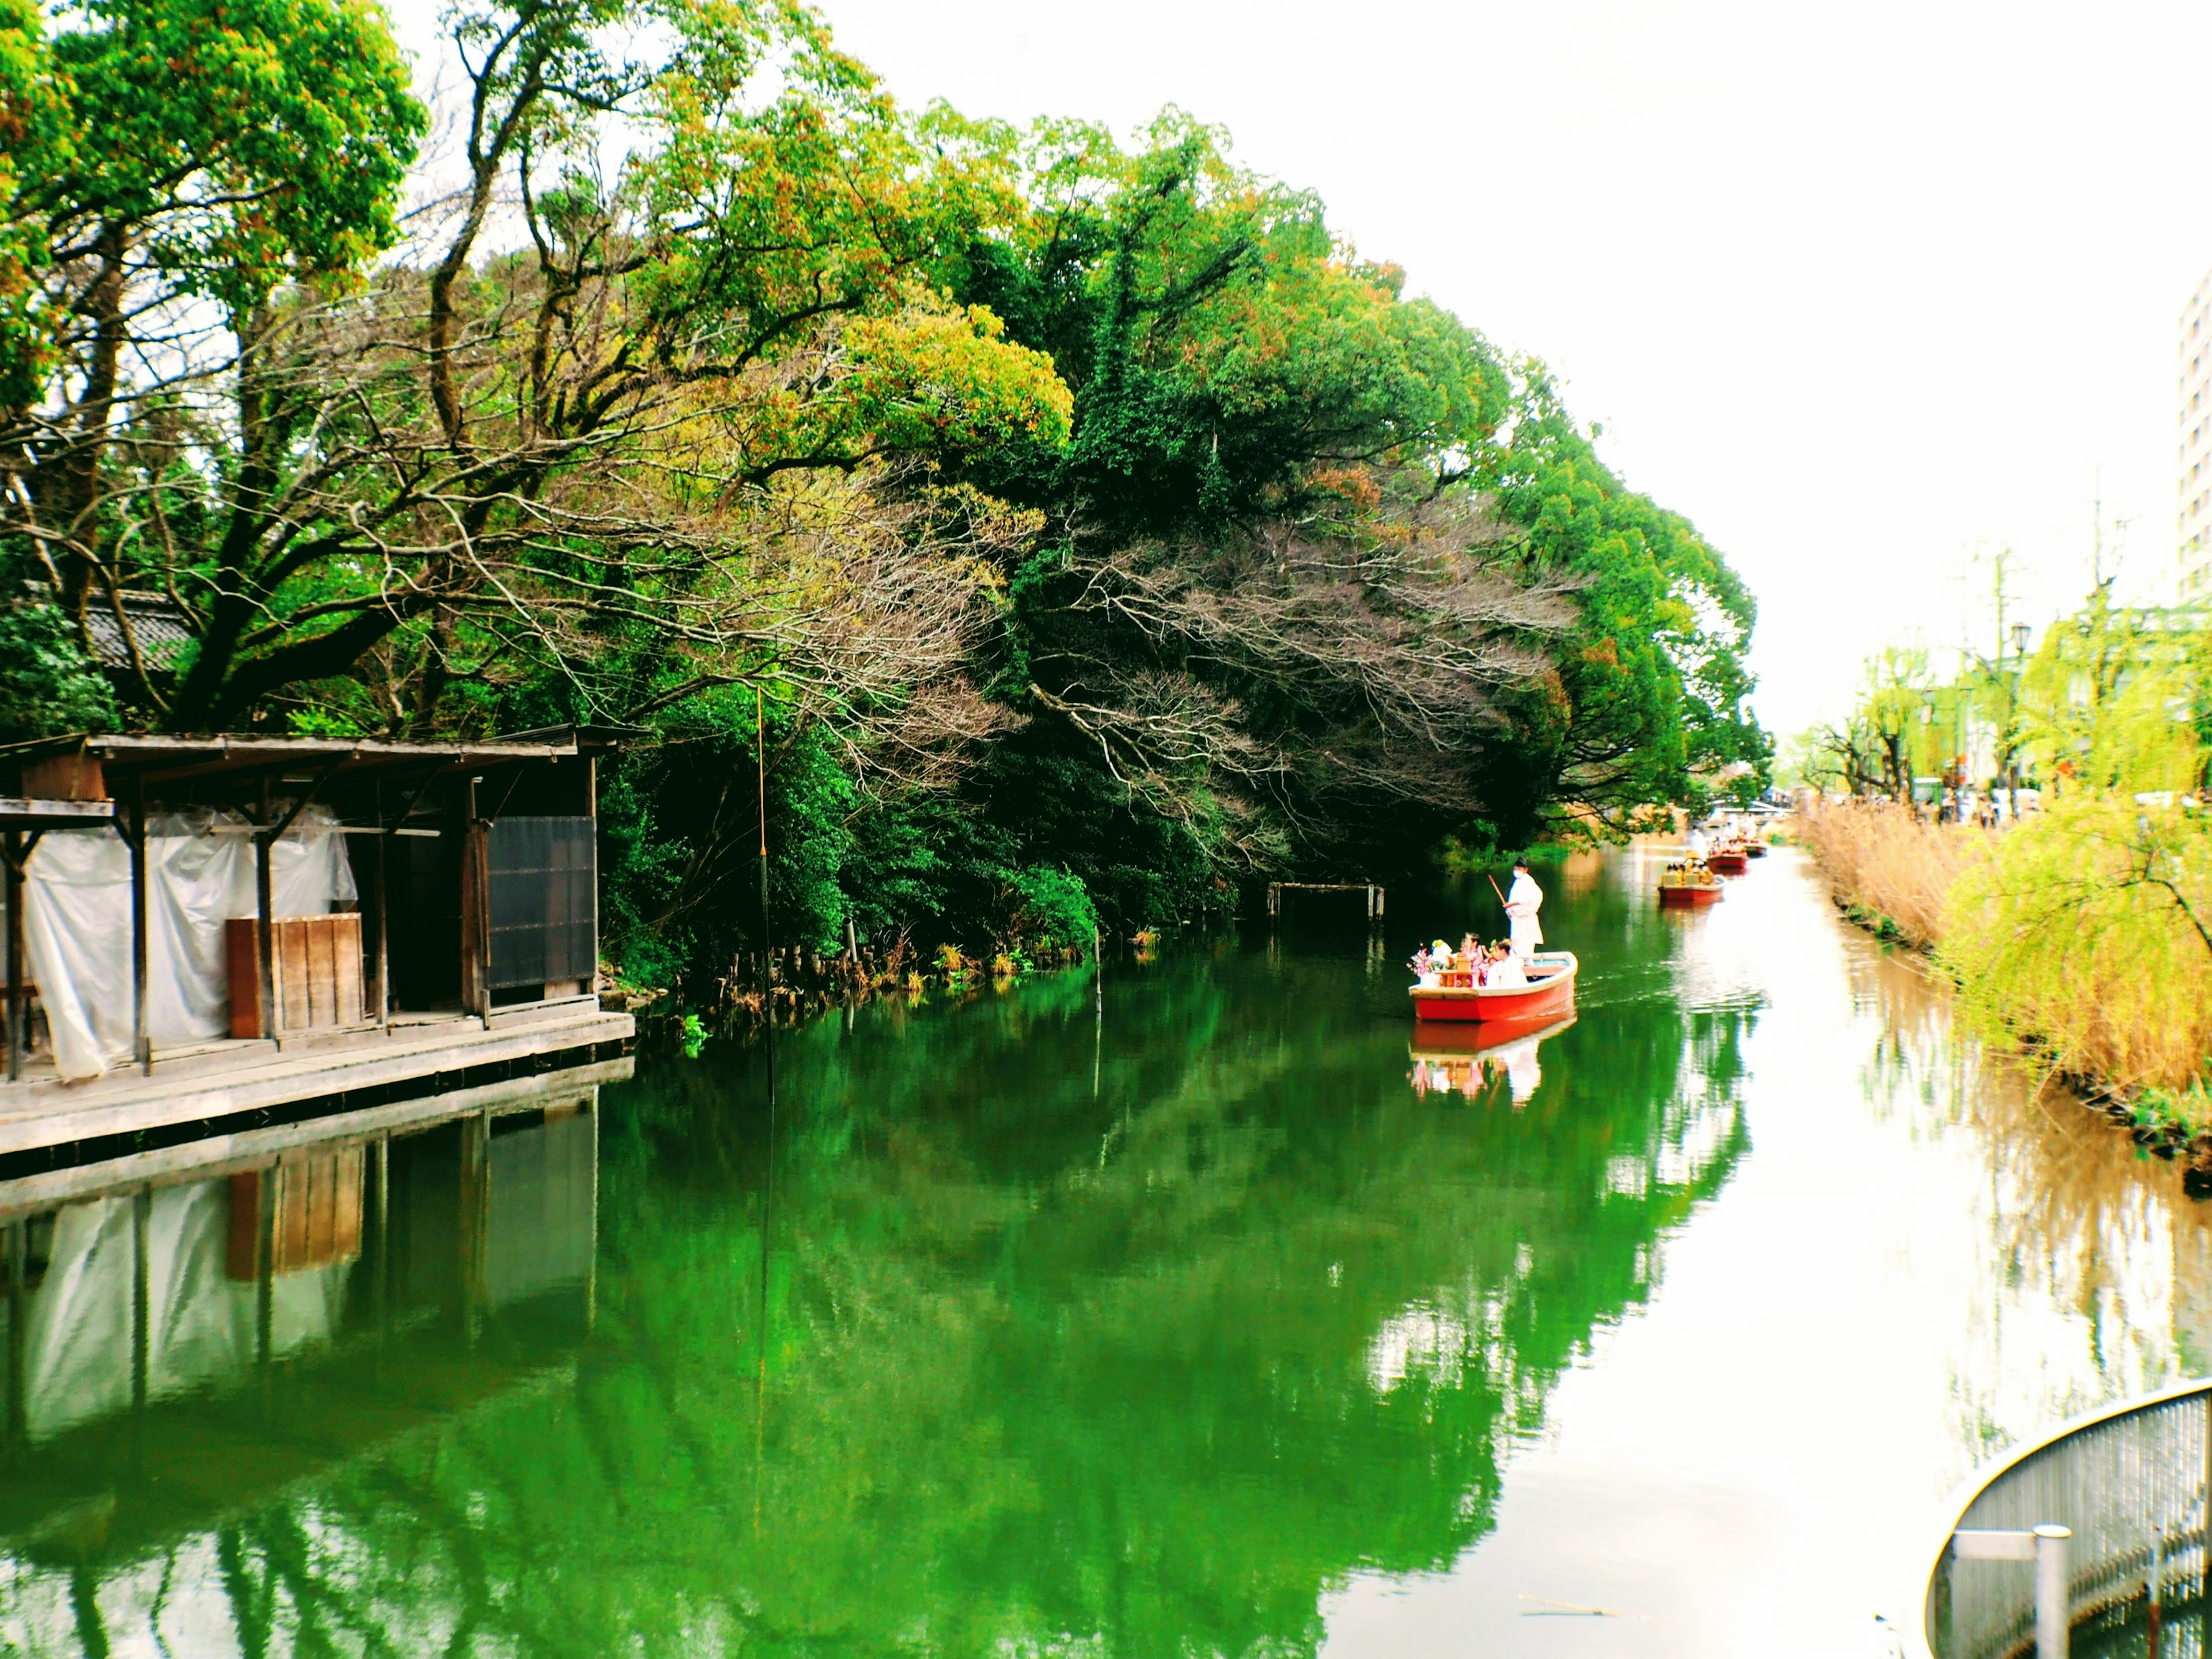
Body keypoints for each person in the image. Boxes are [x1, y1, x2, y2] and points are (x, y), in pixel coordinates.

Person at [1503, 857, 1544, 963]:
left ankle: (1529, 968)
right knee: (1516, 943)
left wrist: (1513, 903)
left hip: (1526, 919)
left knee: (1526, 946)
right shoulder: (1517, 882)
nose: (1517, 871)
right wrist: (1509, 910)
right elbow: (1512, 898)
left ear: (1525, 870)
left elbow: (1530, 898)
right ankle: (1520, 964)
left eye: (1519, 869)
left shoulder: (1529, 881)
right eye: (1516, 868)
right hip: (1517, 919)